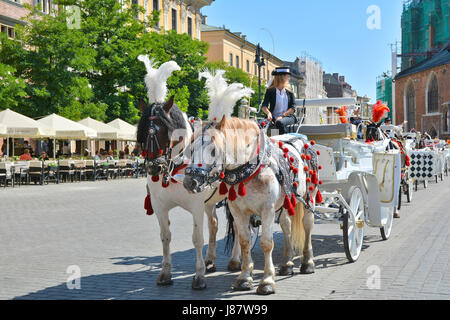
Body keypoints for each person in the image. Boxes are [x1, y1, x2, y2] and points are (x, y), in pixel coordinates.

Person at [261, 66, 297, 135]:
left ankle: (284, 141)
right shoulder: (270, 90)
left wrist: (282, 116)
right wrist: (268, 113)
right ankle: (274, 142)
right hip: (273, 117)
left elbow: (293, 107)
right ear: (282, 77)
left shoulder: (289, 91)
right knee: (264, 124)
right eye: (288, 76)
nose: (289, 78)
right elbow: (264, 106)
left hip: (288, 117)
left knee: (279, 122)